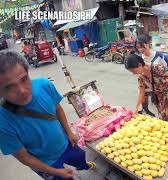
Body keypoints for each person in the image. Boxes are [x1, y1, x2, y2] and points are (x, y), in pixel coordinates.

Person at [0, 51, 96, 180]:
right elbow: (24, 157)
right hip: (48, 164)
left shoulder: (44, 85)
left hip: (68, 145)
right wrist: (56, 172)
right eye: (9, 87)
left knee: (83, 164)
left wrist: (69, 132)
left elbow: (58, 109)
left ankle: (85, 169)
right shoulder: (2, 122)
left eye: (24, 79)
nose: (22, 90)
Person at [125, 54, 168, 125]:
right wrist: (136, 108)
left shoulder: (157, 68)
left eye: (133, 70)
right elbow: (141, 93)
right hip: (161, 99)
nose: (133, 73)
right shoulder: (141, 78)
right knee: (164, 120)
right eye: (131, 72)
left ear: (139, 65)